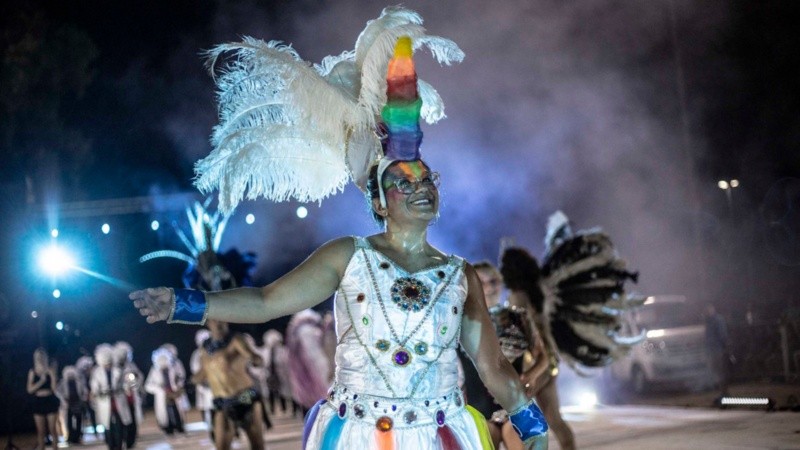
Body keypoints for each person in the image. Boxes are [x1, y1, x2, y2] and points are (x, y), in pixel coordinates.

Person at [130, 7, 548, 449]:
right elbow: (265, 301)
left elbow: (492, 365)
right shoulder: (349, 256)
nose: (421, 186)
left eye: (426, 179)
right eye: (403, 182)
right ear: (378, 203)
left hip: (440, 436)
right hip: (361, 436)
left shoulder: (459, 276)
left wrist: (532, 421)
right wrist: (184, 304)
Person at [460, 262, 549, 450]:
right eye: (481, 282)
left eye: (493, 281)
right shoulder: (459, 320)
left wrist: (530, 376)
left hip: (514, 407)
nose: (489, 287)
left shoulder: (520, 318)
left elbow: (544, 357)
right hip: (478, 410)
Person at [192, 319, 267, 450]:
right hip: (223, 402)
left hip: (245, 396)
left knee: (257, 445)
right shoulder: (205, 347)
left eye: (222, 319)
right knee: (221, 446)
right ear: (207, 323)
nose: (219, 323)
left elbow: (251, 355)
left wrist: (256, 360)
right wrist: (189, 383)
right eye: (214, 320)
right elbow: (203, 371)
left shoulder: (235, 340)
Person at [285, 309, 331, 416]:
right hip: (315, 372)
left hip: (302, 375)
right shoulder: (308, 331)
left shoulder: (294, 333)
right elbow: (314, 356)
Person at [90, 344, 132, 450]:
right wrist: (100, 392)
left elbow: (126, 383)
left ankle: (119, 445)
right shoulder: (97, 372)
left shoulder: (118, 370)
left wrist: (125, 388)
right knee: (107, 424)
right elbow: (94, 386)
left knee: (119, 423)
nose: (107, 366)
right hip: (105, 401)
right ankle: (111, 444)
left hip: (117, 399)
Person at [145, 346, 187, 436]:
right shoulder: (154, 371)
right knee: (165, 413)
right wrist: (159, 389)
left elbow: (181, 378)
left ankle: (179, 426)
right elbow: (148, 385)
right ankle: (168, 428)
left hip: (174, 394)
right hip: (163, 396)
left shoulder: (173, 368)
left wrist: (178, 386)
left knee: (177, 411)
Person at [27, 348, 60, 450]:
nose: (40, 359)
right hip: (38, 401)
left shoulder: (50, 370)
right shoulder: (33, 371)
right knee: (41, 431)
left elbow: (54, 389)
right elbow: (29, 389)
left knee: (52, 429)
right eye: (38, 357)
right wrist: (41, 381)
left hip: (50, 400)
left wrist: (53, 376)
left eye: (42, 357)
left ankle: (55, 447)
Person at [113, 341, 143, 448]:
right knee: (122, 422)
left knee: (133, 421)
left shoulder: (131, 366)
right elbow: (114, 384)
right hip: (121, 400)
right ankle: (122, 440)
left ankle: (131, 440)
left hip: (131, 399)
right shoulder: (115, 369)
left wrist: (135, 379)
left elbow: (138, 377)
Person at [261, 329, 295, 416]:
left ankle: (285, 409)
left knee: (283, 392)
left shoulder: (283, 351)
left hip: (281, 374)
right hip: (269, 375)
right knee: (271, 392)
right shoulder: (265, 351)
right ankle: (272, 410)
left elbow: (286, 363)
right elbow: (263, 363)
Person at [704, 304, 732, 398]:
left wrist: (725, 346)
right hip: (713, 349)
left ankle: (724, 392)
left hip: (717, 349)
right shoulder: (710, 321)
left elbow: (722, 335)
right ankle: (723, 392)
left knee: (720, 371)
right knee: (717, 371)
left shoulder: (717, 320)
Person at [190, 328, 215, 431]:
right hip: (204, 385)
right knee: (206, 407)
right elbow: (195, 369)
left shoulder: (215, 351)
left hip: (217, 384)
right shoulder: (197, 354)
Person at [56, 365, 87, 444]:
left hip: (78, 403)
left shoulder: (79, 382)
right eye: (68, 374)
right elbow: (58, 392)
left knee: (79, 420)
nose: (70, 376)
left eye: (72, 374)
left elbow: (84, 391)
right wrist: (63, 399)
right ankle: (70, 437)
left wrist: (83, 398)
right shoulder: (62, 383)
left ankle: (78, 436)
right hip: (68, 404)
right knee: (68, 421)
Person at [76, 355, 99, 436]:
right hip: (82, 399)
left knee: (93, 415)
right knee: (81, 416)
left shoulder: (94, 376)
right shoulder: (80, 378)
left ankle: (95, 431)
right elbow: (80, 389)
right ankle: (80, 433)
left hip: (91, 398)